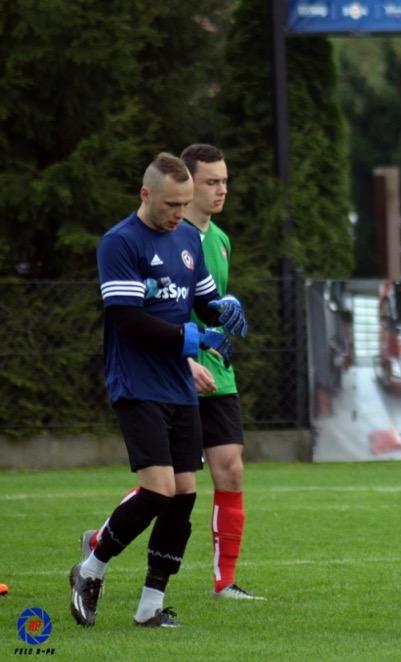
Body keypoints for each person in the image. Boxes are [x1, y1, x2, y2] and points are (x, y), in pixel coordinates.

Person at [71, 152, 248, 628]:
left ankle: (150, 605)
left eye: (184, 204)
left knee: (184, 494)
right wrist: (192, 338)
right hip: (136, 382)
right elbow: (127, 320)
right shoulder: (120, 242)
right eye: (171, 205)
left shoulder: (187, 237)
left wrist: (224, 309)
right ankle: (90, 569)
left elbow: (205, 301)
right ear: (145, 194)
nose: (178, 214)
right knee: (158, 490)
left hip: (177, 387)